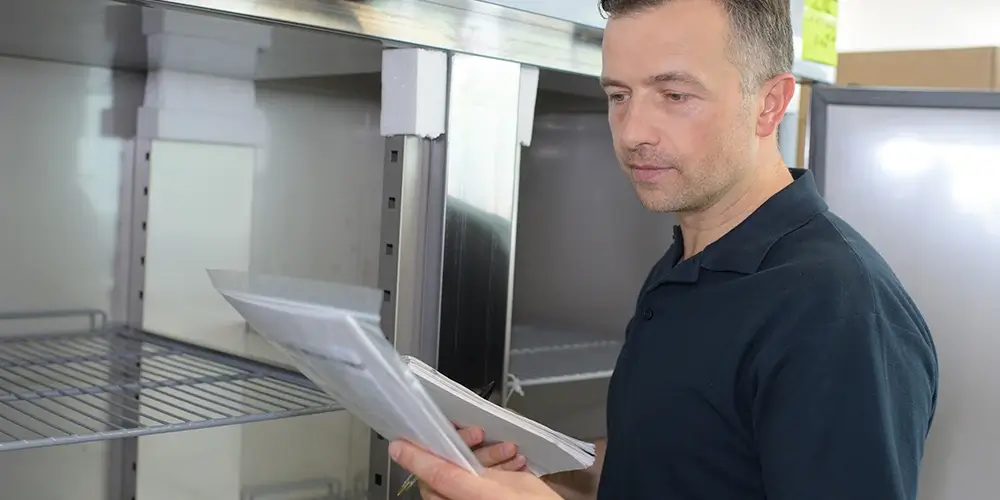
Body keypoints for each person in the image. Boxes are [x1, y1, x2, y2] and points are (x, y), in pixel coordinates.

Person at [390, 0, 940, 498]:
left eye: (675, 95)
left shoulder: (837, 310)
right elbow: (672, 463)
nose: (632, 132)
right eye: (618, 96)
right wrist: (544, 476)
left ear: (769, 104)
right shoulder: (685, 265)